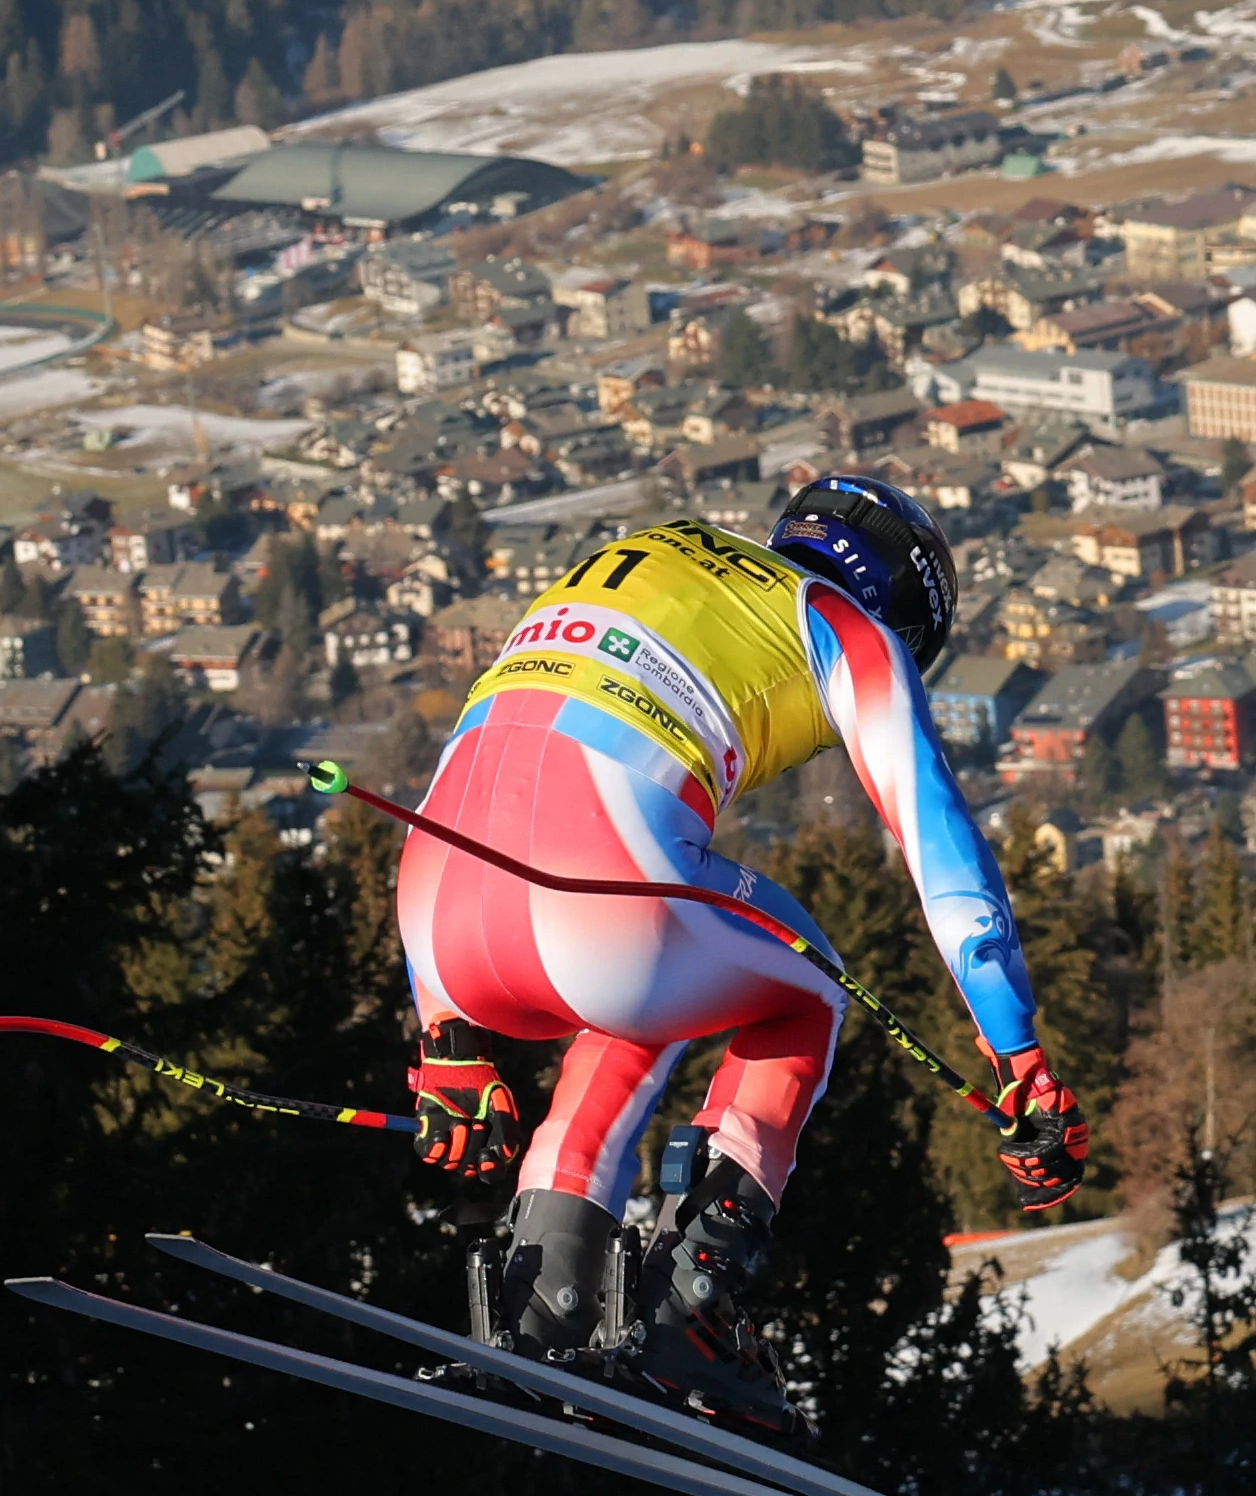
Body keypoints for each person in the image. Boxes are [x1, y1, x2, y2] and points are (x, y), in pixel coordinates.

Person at [391, 474, 1085, 1428]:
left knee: (651, 1001)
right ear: (898, 605)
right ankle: (692, 1305)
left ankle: (537, 1294)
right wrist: (1020, 1056)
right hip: (599, 898)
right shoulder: (845, 628)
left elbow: (481, 764)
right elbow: (943, 850)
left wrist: (445, 1038)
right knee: (805, 988)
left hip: (437, 912)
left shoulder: (659, 551)